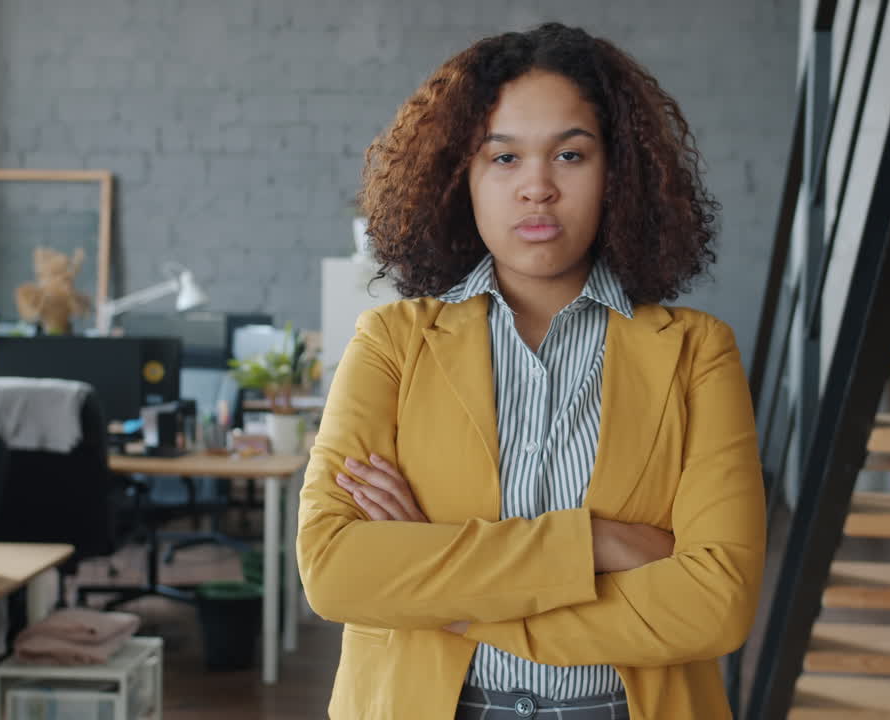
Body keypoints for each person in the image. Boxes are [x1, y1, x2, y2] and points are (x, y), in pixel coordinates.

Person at [297, 22, 765, 720]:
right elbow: (336, 572)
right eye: (504, 158)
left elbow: (714, 606)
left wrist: (453, 597)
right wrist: (596, 545)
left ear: (618, 173)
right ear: (463, 176)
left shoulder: (697, 353)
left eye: (570, 155)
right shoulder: (391, 343)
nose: (538, 188)